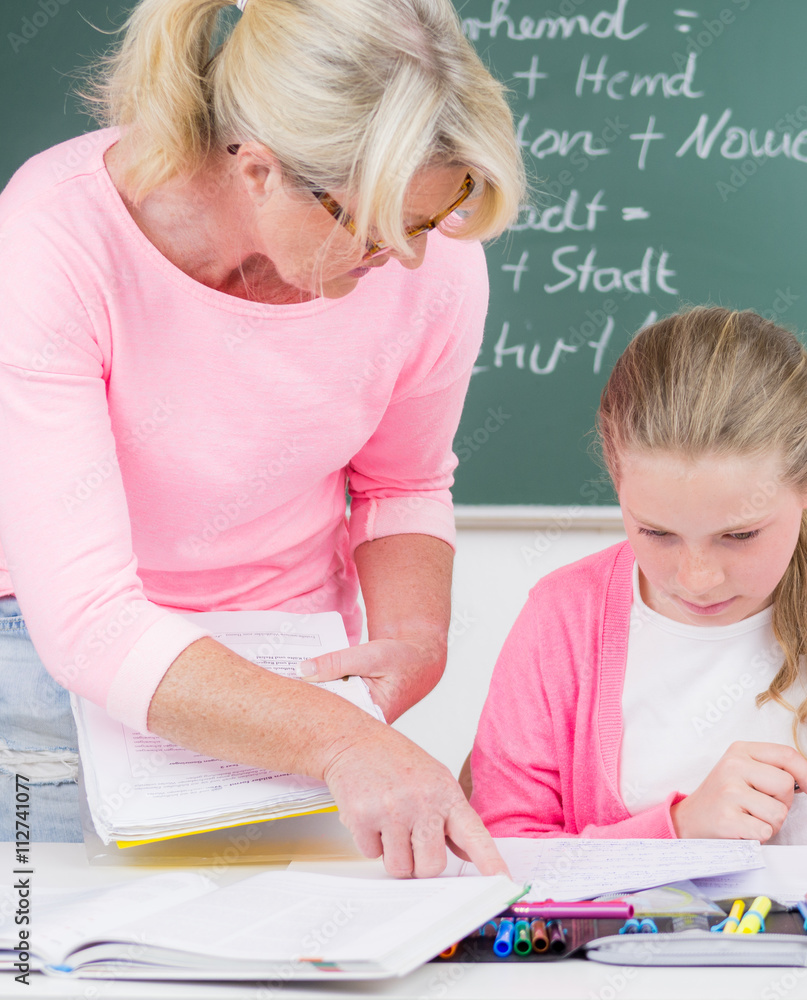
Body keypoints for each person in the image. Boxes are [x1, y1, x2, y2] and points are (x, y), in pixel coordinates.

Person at [0, 0, 525, 879]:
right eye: (371, 226)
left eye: (431, 222)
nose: (405, 260)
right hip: (48, 670)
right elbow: (89, 623)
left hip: (293, 664)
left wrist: (414, 636)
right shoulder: (52, 239)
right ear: (258, 169)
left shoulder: (430, 262)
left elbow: (404, 483)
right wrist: (340, 742)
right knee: (45, 948)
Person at [470, 306, 807, 887]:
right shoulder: (562, 618)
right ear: (616, 479)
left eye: (740, 535)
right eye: (656, 532)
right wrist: (678, 829)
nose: (697, 579)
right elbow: (506, 856)